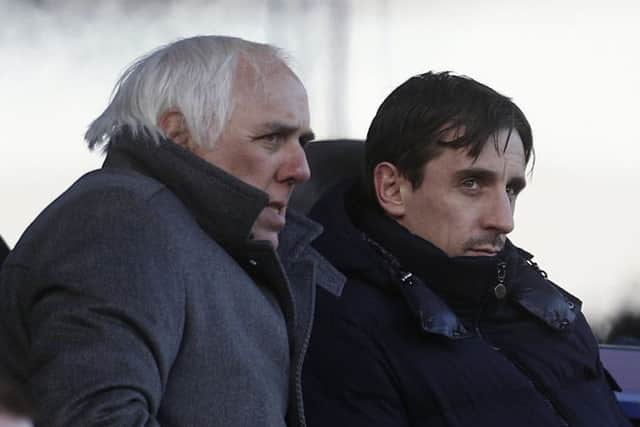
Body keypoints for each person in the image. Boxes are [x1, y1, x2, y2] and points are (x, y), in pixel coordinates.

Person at [0, 35, 344, 426]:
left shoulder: (200, 237)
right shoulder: (121, 219)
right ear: (179, 135)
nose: (302, 169)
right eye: (271, 139)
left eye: (301, 141)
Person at [302, 71, 630, 426]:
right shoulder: (345, 334)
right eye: (472, 184)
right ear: (393, 189)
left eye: (511, 190)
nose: (504, 221)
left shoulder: (545, 307)